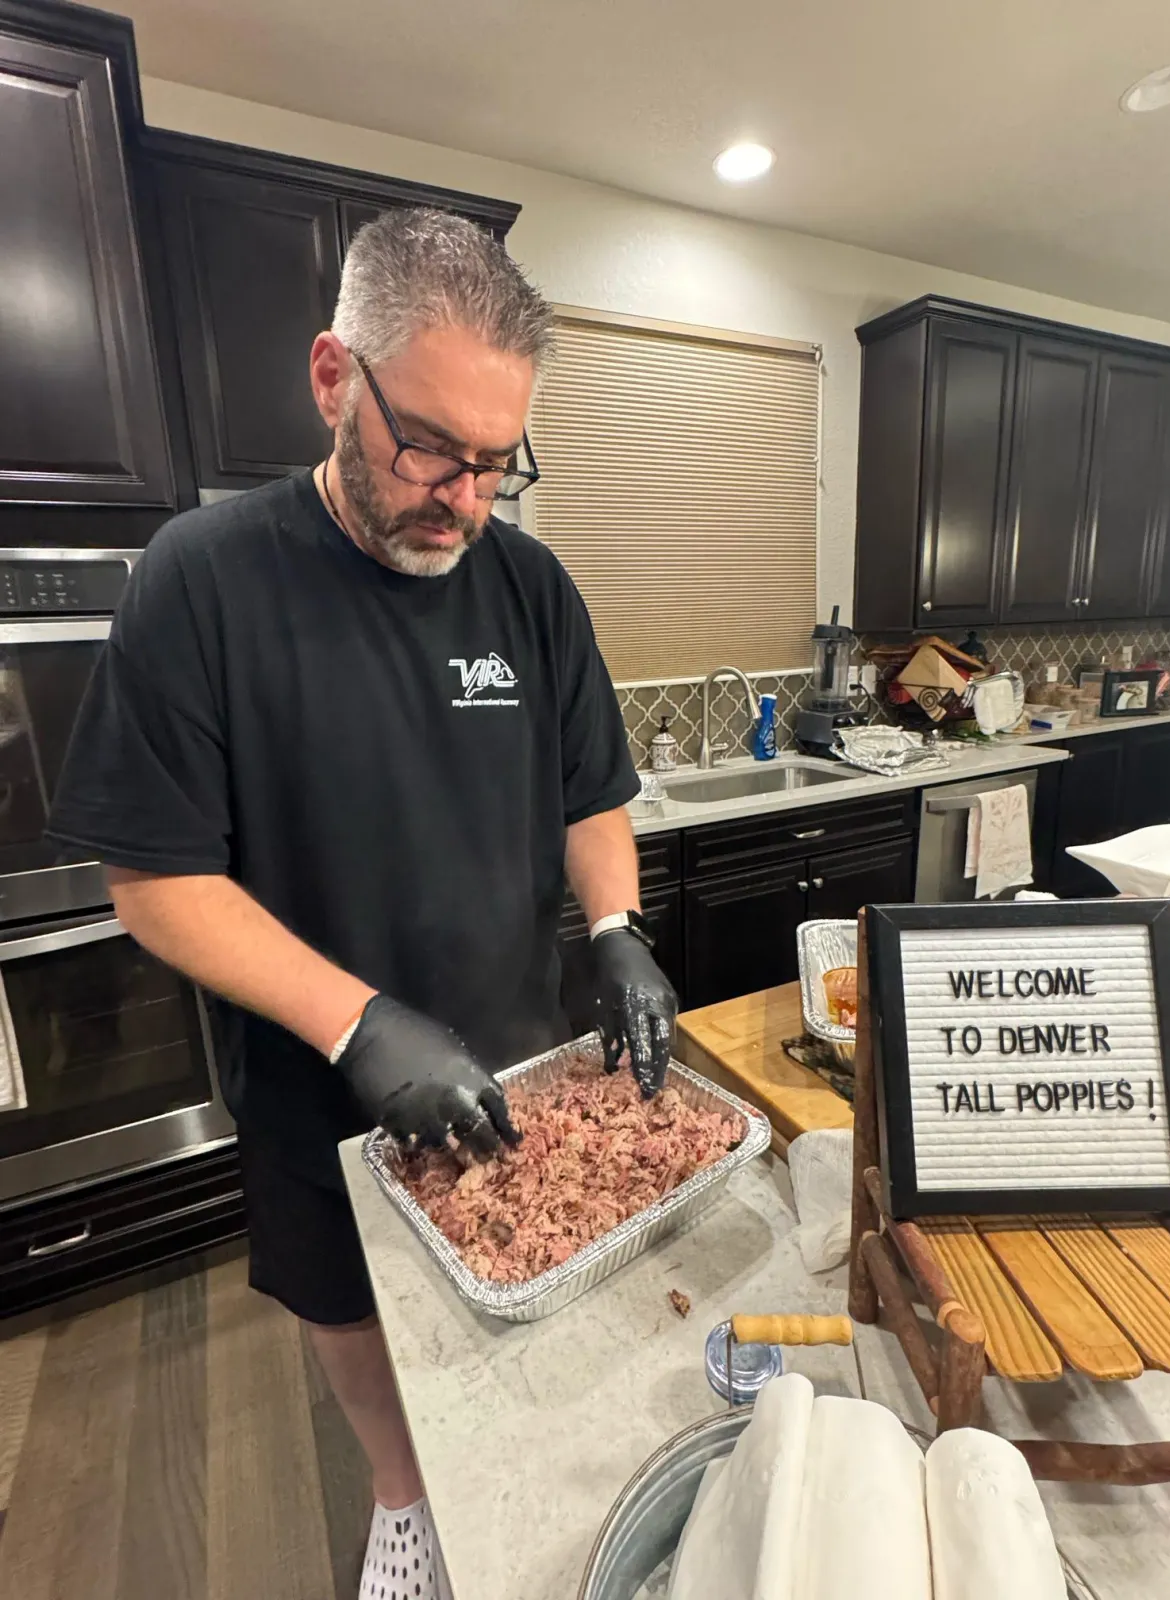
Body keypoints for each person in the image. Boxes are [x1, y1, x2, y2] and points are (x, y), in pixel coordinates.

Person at [48, 207, 677, 1600]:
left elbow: (591, 791)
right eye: (432, 449)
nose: (462, 496)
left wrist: (621, 929)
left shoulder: (529, 586)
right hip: (313, 1067)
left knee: (515, 1290)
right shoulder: (198, 580)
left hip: (521, 1047)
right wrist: (360, 1024)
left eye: (496, 464)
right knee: (348, 1305)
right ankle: (404, 1500)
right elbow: (154, 879)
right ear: (335, 378)